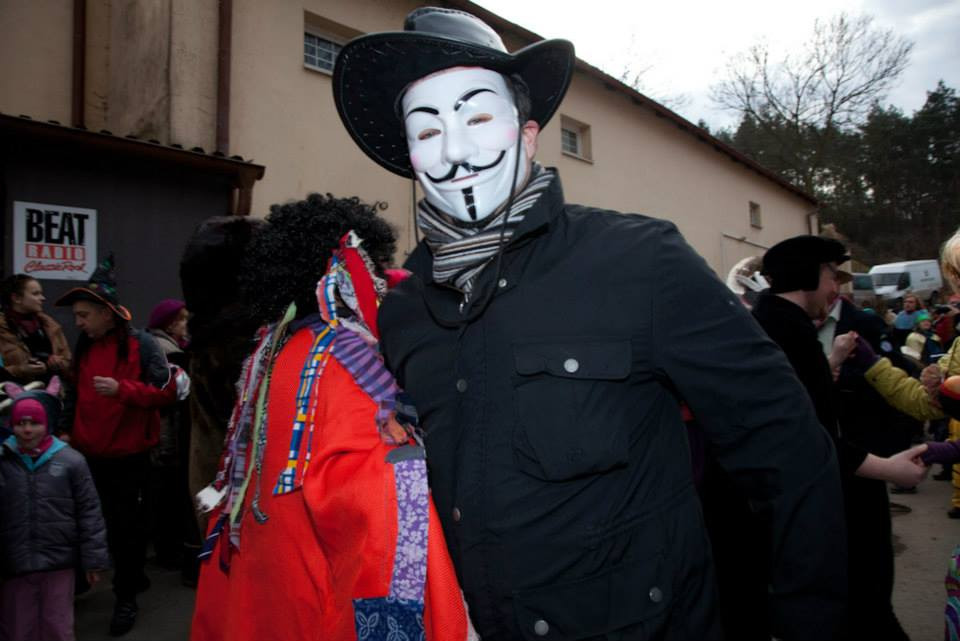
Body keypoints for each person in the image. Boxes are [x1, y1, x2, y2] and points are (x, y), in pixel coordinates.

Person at [334, 9, 850, 639]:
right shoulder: (404, 310)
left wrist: (806, 620)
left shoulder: (642, 260)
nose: (456, 150)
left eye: (478, 119)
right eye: (427, 130)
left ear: (527, 135)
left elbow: (786, 451)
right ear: (411, 157)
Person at [189, 194, 474, 641]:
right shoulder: (348, 363)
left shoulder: (271, 349)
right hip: (316, 604)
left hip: (264, 599)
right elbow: (381, 514)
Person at [53, 255, 178, 637]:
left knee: (127, 531)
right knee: (90, 525)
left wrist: (122, 390)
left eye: (84, 315)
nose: (78, 323)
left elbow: (167, 392)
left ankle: (126, 596)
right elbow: (74, 392)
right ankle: (101, 581)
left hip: (128, 459)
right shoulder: (85, 347)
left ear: (107, 313)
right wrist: (65, 430)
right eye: (76, 316)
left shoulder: (142, 344)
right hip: (87, 456)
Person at [0, 377, 109, 641]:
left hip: (60, 561)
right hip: (15, 562)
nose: (27, 430)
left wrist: (93, 560)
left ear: (47, 423)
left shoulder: (71, 461)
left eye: (34, 423)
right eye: (20, 423)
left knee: (57, 625)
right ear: (11, 425)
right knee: (17, 627)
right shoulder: (4, 460)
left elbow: (89, 512)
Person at [145, 298, 200, 585]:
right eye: (182, 320)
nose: (186, 325)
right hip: (169, 436)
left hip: (168, 434)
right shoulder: (168, 352)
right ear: (170, 324)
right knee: (169, 493)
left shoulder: (172, 347)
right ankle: (170, 550)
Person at [0, 274, 71, 384]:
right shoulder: (3, 328)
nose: (43, 298)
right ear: (16, 298)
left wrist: (57, 363)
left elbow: (69, 364)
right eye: (35, 294)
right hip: (13, 392)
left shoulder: (50, 325)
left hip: (50, 392)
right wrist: (21, 370)